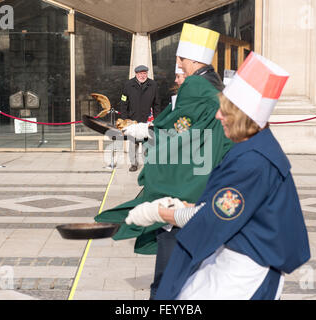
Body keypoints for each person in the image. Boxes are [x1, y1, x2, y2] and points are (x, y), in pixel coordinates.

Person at [125, 52, 311, 300]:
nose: (217, 116)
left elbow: (212, 220)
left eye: (225, 111)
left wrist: (161, 213)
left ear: (243, 116)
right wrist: (184, 206)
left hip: (244, 274)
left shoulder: (252, 163)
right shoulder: (253, 148)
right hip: (234, 260)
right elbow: (223, 208)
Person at [95, 23, 233, 297]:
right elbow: (191, 125)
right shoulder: (213, 83)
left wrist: (147, 130)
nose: (178, 65)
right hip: (210, 170)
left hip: (190, 177)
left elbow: (181, 126)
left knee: (170, 238)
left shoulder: (195, 84)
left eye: (181, 60)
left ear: (194, 61)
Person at [119, 65, 160, 172]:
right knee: (133, 144)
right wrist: (125, 120)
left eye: (144, 73)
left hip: (148, 121)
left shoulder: (153, 85)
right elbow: (124, 103)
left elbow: (156, 104)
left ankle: (148, 164)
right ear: (136, 74)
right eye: (140, 73)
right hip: (133, 121)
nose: (143, 75)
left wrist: (157, 120)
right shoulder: (128, 85)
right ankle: (134, 164)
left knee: (148, 144)